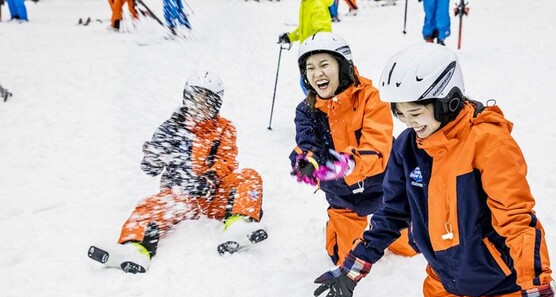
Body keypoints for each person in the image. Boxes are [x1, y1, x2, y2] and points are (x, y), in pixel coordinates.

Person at [313, 43, 556, 297]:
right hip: (446, 281)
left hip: (500, 287)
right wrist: (354, 268)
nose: (410, 125)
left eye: (416, 113)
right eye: (402, 116)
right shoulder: (408, 147)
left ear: (448, 101)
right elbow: (392, 213)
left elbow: (519, 223)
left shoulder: (489, 144)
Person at [88, 71, 266, 273]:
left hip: (213, 197)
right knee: (147, 207)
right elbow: (151, 167)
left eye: (206, 102)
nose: (199, 106)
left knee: (249, 177)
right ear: (186, 98)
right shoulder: (171, 128)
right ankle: (134, 248)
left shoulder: (224, 128)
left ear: (216, 105)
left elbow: (226, 159)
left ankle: (238, 225)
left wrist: (210, 178)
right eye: (195, 99)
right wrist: (153, 159)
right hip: (180, 199)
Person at [290, 32, 417, 267]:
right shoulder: (307, 110)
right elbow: (307, 143)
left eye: (324, 64)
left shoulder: (370, 98)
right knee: (344, 257)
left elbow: (378, 146)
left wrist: (348, 163)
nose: (317, 73)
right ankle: (343, 227)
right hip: (342, 194)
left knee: (411, 247)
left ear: (343, 66)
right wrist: (307, 162)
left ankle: (401, 225)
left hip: (384, 188)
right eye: (310, 68)